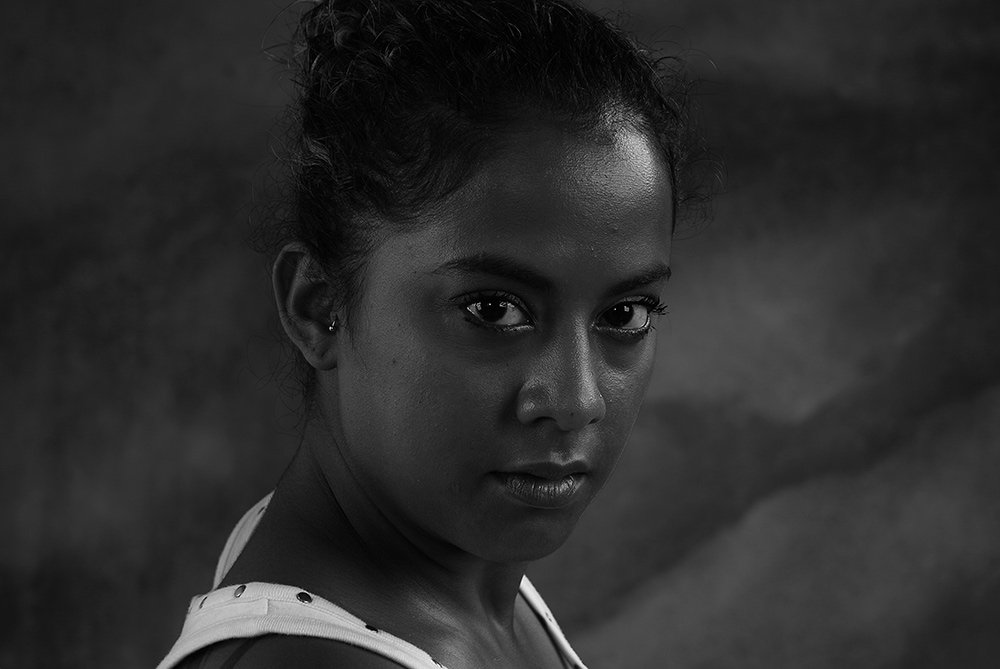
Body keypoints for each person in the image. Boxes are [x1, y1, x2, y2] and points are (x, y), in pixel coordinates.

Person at [158, 0, 700, 666]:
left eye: (625, 314)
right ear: (318, 305)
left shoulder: (460, 577)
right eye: (494, 310)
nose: (575, 401)